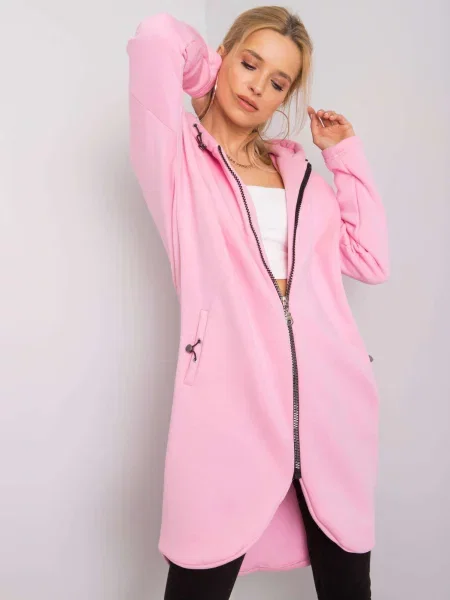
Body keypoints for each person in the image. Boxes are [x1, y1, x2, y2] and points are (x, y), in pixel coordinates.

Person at [126, 6, 389, 599]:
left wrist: (344, 155)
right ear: (222, 56)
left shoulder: (299, 175)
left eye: (277, 82)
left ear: (284, 99)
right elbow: (156, 36)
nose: (256, 87)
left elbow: (370, 259)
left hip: (331, 408)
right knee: (197, 583)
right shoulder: (177, 158)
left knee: (349, 588)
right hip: (229, 402)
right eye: (249, 63)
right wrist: (204, 75)